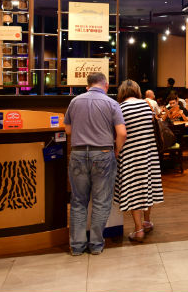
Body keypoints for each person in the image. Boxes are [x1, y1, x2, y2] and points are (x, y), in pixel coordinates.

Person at [63, 72, 126, 256]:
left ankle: (77, 246)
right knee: (101, 201)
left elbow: (67, 130)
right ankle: (96, 244)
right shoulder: (111, 103)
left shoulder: (75, 102)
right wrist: (116, 150)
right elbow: (122, 133)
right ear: (105, 85)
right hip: (104, 153)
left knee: (78, 201)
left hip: (78, 153)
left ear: (87, 85)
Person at [115, 80, 164, 243]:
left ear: (122, 92)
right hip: (149, 153)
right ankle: (147, 221)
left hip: (130, 155)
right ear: (137, 91)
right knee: (147, 186)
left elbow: (121, 134)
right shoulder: (146, 106)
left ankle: (138, 230)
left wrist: (116, 151)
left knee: (134, 190)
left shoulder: (121, 108)